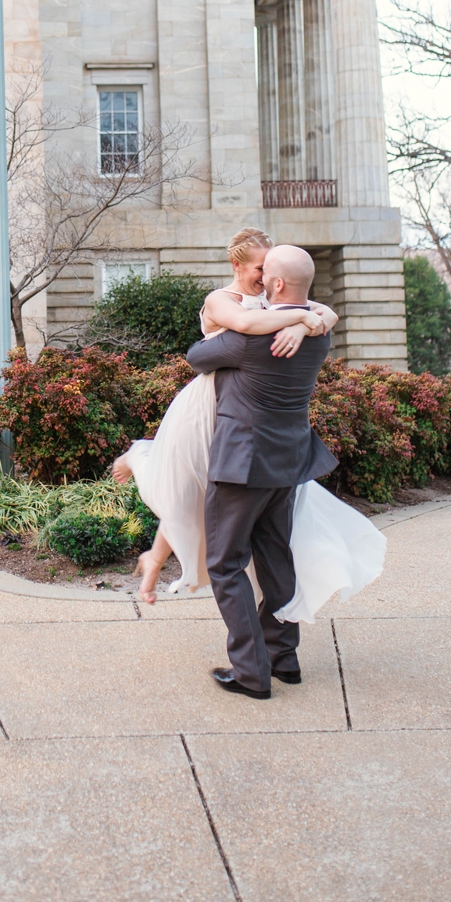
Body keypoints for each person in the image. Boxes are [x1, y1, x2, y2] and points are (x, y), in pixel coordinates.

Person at [185, 243, 386, 699]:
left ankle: (251, 673)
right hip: (289, 463)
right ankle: (283, 658)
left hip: (242, 464)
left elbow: (197, 356)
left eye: (265, 276)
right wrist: (302, 318)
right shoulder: (319, 334)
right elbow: (319, 313)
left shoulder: (249, 337)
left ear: (275, 284)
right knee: (276, 559)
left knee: (226, 564)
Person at [113, 228, 336, 603]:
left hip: (242, 412)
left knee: (200, 500)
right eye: (259, 268)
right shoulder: (221, 300)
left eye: (269, 269)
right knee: (181, 490)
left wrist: (299, 325)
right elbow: (249, 327)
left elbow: (327, 313)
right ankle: (137, 455)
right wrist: (301, 318)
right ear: (237, 265)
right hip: (206, 409)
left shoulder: (275, 299)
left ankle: (154, 558)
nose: (264, 277)